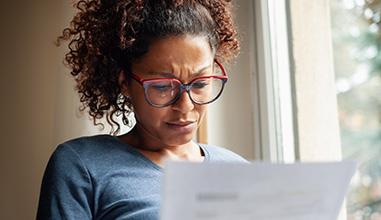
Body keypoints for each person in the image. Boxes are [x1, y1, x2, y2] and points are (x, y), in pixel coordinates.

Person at [37, 0, 247, 219]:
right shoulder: (82, 166)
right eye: (163, 87)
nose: (185, 106)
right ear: (125, 83)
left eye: (201, 83)